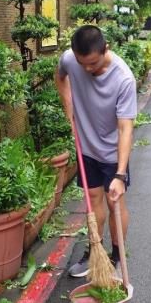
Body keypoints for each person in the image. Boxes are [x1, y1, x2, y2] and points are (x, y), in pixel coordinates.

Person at [55, 25, 137, 277]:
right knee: (92, 200)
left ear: (106, 50)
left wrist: (120, 175)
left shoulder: (123, 78)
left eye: (92, 63)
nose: (87, 69)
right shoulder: (70, 60)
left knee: (114, 203)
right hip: (86, 147)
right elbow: (60, 77)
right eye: (82, 64)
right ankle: (95, 252)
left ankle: (115, 256)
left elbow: (125, 128)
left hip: (113, 153)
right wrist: (69, 110)